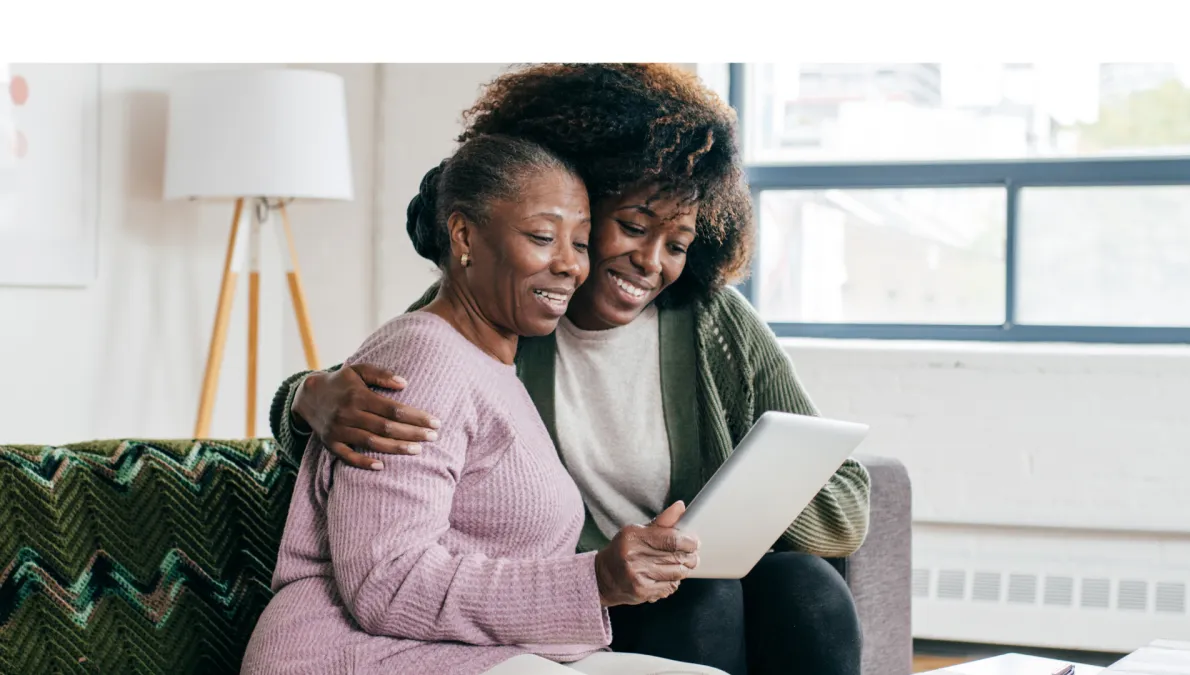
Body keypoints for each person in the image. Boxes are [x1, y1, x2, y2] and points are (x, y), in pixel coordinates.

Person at [267, 64, 870, 675]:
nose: (650, 263)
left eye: (678, 244)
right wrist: (308, 396)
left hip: (670, 572)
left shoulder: (714, 325)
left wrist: (745, 496)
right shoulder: (504, 311)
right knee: (703, 601)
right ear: (585, 199)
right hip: (573, 594)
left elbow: (847, 500)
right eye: (632, 227)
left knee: (807, 589)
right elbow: (396, 376)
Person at [241, 134, 725, 675]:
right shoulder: (422, 357)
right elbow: (389, 580)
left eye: (582, 243)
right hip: (353, 654)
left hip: (475, 654)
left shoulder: (495, 368)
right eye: (543, 237)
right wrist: (597, 581)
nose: (571, 266)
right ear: (465, 236)